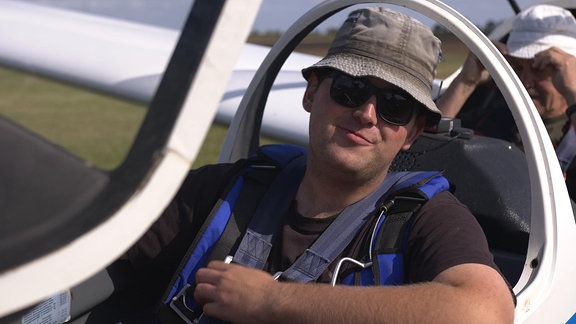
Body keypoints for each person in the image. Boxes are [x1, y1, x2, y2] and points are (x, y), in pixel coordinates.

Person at [113, 7, 514, 323]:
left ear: (411, 134)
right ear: (311, 92)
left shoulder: (425, 220)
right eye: (350, 89)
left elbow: (485, 312)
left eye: (395, 107)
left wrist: (272, 300)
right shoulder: (229, 190)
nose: (367, 114)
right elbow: (104, 233)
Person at [436, 5, 576, 172]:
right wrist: (465, 83)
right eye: (517, 67)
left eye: (539, 68)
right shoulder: (491, 116)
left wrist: (572, 91)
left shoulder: (569, 129)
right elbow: (427, 151)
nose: (526, 82)